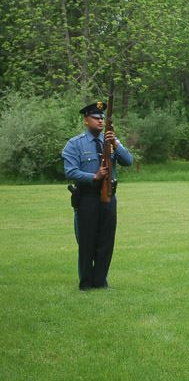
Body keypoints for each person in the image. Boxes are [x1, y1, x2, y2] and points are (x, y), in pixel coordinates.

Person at [62, 101, 133, 290]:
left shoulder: (110, 142)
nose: (100, 121)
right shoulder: (75, 144)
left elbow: (128, 161)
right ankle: (85, 283)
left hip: (109, 196)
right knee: (87, 241)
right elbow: (70, 171)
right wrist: (94, 176)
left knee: (106, 241)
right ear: (86, 120)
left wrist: (116, 142)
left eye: (102, 118)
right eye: (95, 118)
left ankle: (100, 282)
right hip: (87, 197)